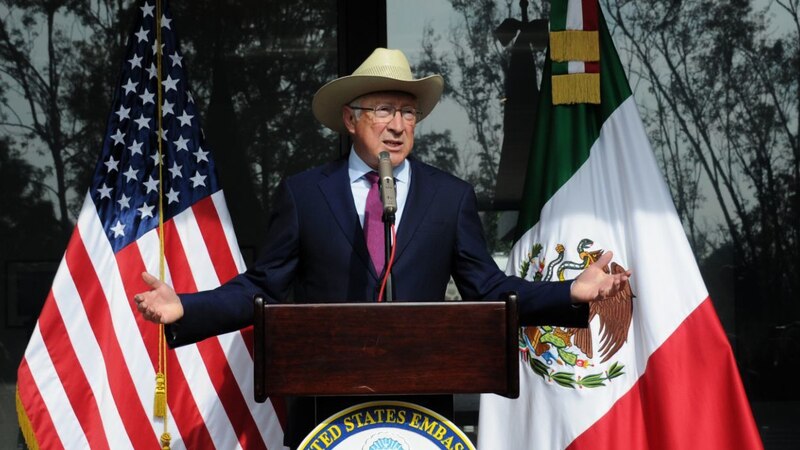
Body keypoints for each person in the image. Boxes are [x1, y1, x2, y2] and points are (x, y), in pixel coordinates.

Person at [134, 47, 630, 446]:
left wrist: (570, 292)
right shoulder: (305, 194)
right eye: (384, 110)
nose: (397, 125)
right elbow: (262, 286)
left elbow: (490, 287)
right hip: (326, 410)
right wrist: (187, 308)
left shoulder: (449, 197)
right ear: (350, 120)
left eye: (408, 112)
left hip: (421, 411)